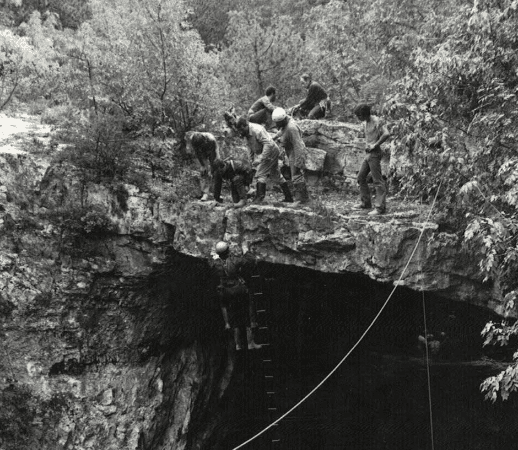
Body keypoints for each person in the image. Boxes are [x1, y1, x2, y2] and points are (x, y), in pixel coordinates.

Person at [211, 241, 261, 351]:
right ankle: (250, 343)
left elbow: (209, 264)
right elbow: (250, 262)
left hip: (226, 291)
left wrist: (213, 256)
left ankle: (237, 345)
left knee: (234, 319)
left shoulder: (215, 263)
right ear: (228, 250)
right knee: (246, 316)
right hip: (239, 290)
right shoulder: (234, 260)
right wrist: (246, 250)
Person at [235, 116, 293, 204]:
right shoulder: (246, 133)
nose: (240, 132)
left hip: (271, 151)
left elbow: (268, 144)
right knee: (276, 174)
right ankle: (289, 197)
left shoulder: (257, 130)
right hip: (264, 152)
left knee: (260, 173)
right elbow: (249, 146)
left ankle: (259, 197)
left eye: (241, 129)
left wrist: (261, 158)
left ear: (246, 125)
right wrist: (251, 160)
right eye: (239, 130)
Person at [353, 104, 390, 215]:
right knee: (360, 177)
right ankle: (365, 203)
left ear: (365, 114)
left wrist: (375, 145)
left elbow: (387, 134)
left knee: (377, 180)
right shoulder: (365, 122)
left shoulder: (376, 121)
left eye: (359, 115)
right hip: (368, 154)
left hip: (375, 153)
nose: (358, 118)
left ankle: (380, 208)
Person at [271, 107, 310, 203]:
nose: (276, 125)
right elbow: (283, 130)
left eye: (277, 123)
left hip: (296, 152)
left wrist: (299, 160)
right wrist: (275, 137)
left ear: (282, 120)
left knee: (296, 175)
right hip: (291, 151)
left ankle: (301, 200)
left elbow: (298, 145)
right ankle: (303, 198)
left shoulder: (291, 128)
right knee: (295, 175)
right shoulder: (286, 123)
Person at [187, 131, 219, 201]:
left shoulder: (211, 140)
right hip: (202, 153)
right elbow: (197, 153)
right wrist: (203, 165)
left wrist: (212, 167)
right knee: (203, 171)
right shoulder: (193, 140)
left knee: (215, 170)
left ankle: (215, 193)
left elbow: (214, 153)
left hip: (212, 150)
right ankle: (205, 193)